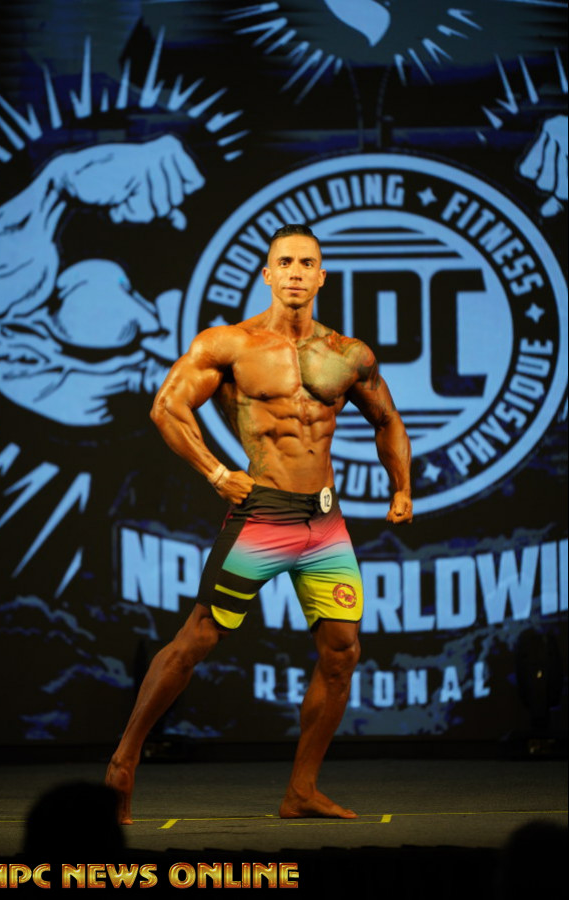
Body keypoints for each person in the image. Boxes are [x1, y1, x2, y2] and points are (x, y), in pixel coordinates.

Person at [106, 223, 412, 823]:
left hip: (323, 521)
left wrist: (402, 486)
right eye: (285, 262)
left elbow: (387, 419)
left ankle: (301, 791)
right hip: (264, 514)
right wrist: (216, 472)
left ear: (322, 277)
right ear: (268, 274)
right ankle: (123, 761)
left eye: (307, 263)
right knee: (199, 637)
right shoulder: (230, 346)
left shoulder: (348, 354)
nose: (296, 272)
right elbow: (167, 406)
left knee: (342, 652)